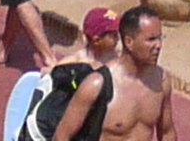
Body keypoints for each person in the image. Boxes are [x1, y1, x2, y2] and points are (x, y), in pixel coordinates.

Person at [11, 10, 121, 141]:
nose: (118, 37)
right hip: (51, 126)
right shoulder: (76, 63)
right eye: (113, 35)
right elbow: (51, 74)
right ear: (97, 40)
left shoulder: (114, 56)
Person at [100, 6, 176, 141]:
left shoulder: (160, 81)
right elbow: (63, 136)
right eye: (151, 39)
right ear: (129, 42)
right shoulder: (100, 84)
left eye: (159, 38)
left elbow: (167, 132)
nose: (158, 45)